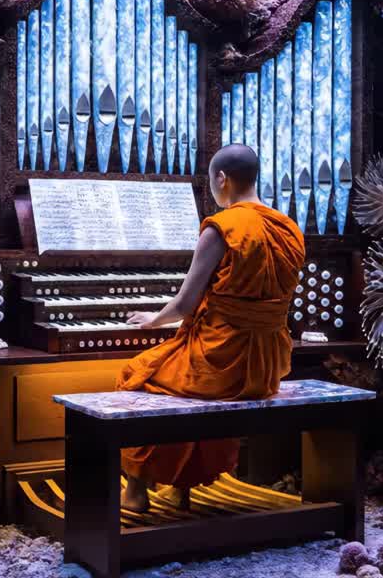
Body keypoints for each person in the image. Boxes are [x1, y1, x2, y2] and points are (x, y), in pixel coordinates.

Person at [117, 144, 305, 512]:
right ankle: (180, 488)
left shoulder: (221, 228)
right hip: (268, 366)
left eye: (211, 181)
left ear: (222, 179)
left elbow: (184, 304)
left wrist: (152, 319)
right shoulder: (289, 228)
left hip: (222, 362)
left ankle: (136, 491)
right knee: (185, 389)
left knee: (138, 377)